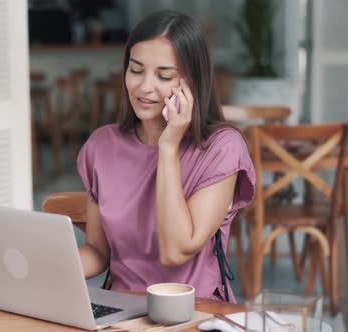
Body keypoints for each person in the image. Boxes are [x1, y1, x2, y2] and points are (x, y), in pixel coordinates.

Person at [76, 10, 255, 302]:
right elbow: (97, 251)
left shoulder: (222, 148)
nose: (145, 87)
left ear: (192, 82)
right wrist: (44, 267)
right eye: (135, 70)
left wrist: (168, 146)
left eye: (164, 75)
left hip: (194, 312)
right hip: (121, 311)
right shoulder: (102, 145)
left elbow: (175, 250)